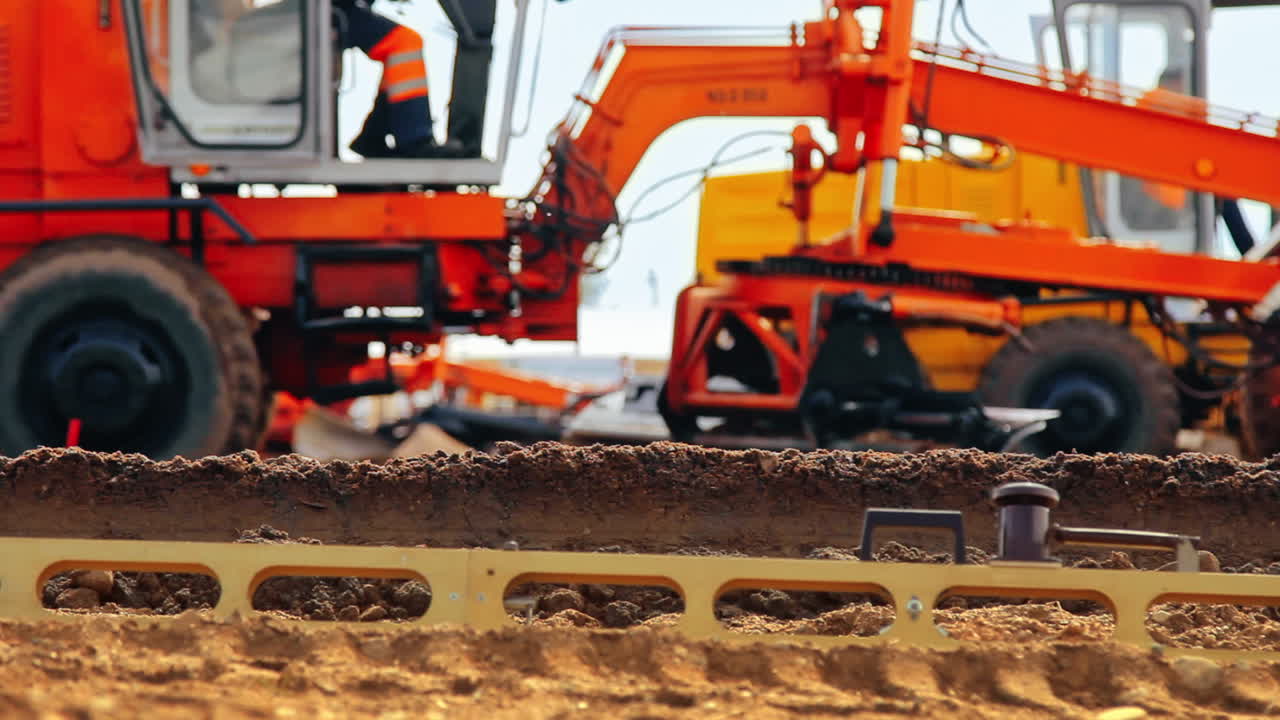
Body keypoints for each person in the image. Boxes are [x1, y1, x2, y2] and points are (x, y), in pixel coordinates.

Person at [335, 0, 464, 158]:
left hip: (331, 10)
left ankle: (374, 134)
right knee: (403, 41)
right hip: (328, 11)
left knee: (400, 44)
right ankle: (414, 138)